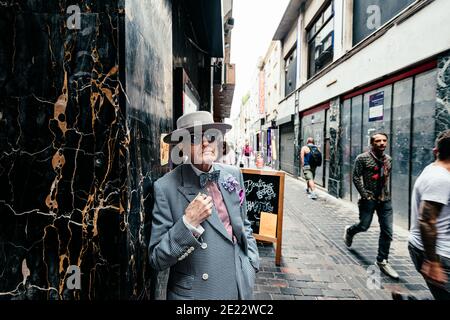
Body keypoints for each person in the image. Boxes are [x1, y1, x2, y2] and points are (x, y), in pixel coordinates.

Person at [149, 111, 260, 300]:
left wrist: (250, 261)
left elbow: (243, 223)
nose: (206, 142)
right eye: (195, 138)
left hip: (238, 285)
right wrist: (187, 224)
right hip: (198, 294)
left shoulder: (233, 174)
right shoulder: (165, 187)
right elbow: (157, 259)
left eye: (211, 136)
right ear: (182, 147)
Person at [344, 132, 399, 279]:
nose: (382, 143)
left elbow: (385, 178)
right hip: (368, 199)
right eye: (378, 141)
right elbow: (356, 177)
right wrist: (364, 194)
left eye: (384, 140)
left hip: (385, 200)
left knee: (387, 231)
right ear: (372, 143)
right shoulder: (362, 158)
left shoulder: (388, 159)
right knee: (364, 226)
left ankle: (382, 260)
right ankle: (350, 231)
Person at [406, 129, 450, 300]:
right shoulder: (441, 178)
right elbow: (426, 221)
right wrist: (433, 262)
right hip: (440, 254)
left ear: (435, 151)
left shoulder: (434, 168)